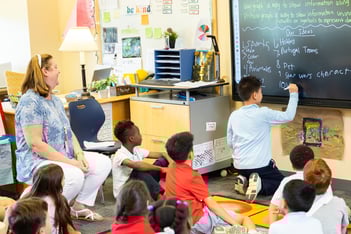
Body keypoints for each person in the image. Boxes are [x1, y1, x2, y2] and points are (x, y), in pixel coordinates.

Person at [15, 54, 111, 221]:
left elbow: (68, 131)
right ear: (45, 71)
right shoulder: (30, 102)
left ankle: (74, 207)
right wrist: (72, 163)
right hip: (37, 162)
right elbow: (36, 145)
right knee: (75, 175)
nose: (59, 71)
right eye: (55, 67)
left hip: (63, 156)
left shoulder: (55, 100)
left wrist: (79, 154)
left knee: (103, 163)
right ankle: (43, 216)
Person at [164, 132, 258, 234]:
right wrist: (236, 224)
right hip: (198, 221)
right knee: (245, 220)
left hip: (180, 222)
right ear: (190, 152)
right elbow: (211, 204)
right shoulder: (192, 175)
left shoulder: (171, 167)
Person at [227, 76, 299, 202]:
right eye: (261, 91)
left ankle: (245, 179)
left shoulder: (234, 115)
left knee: (255, 172)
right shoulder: (263, 113)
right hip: (260, 166)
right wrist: (294, 94)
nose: (262, 94)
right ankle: (259, 186)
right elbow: (289, 116)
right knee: (283, 184)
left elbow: (230, 142)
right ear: (255, 95)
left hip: (238, 165)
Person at [112, 120, 171, 200]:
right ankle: (160, 199)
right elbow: (137, 165)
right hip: (125, 193)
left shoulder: (136, 150)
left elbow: (162, 154)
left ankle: (175, 186)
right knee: (139, 171)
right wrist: (161, 169)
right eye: (139, 134)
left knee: (162, 161)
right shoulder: (120, 155)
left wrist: (172, 163)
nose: (141, 136)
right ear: (131, 138)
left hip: (137, 186)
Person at [21, 164, 79, 234]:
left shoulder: (27, 192)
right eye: (63, 179)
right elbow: (65, 224)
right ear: (57, 183)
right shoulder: (56, 201)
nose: (64, 181)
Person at [268, 144, 314, 224]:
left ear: (292, 165)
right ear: (312, 162)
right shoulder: (318, 180)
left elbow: (273, 208)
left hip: (291, 225)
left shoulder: (287, 181)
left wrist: (272, 228)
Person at [304, 159, 349, 234]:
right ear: (330, 181)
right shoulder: (339, 203)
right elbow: (343, 227)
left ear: (304, 182)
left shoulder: (299, 203)